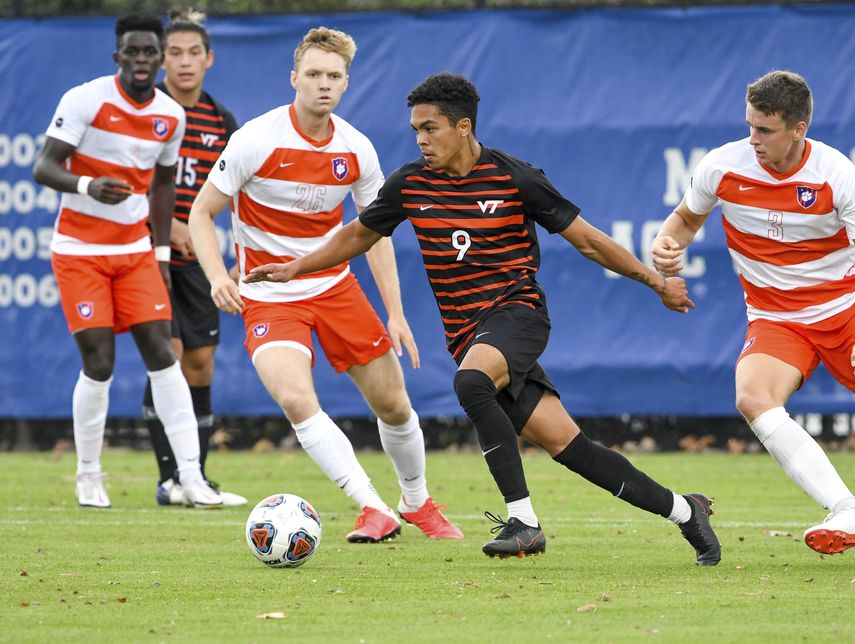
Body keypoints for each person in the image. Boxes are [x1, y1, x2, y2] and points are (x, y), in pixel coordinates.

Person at [244, 72, 722, 564]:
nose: (421, 140)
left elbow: (588, 239)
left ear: (464, 126)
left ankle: (524, 522)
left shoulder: (515, 177)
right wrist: (296, 267)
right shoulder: (411, 183)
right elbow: (356, 236)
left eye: (430, 128)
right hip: (469, 334)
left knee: (471, 383)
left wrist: (656, 282)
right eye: (415, 130)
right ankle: (687, 512)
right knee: (570, 446)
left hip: (519, 314)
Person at [188, 28, 462, 542]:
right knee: (296, 399)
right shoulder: (256, 139)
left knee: (395, 405)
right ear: (294, 78)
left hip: (335, 288)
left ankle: (417, 503)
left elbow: (375, 233)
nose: (323, 84)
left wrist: (395, 313)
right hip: (267, 294)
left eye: (334, 76)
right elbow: (202, 213)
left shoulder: (356, 148)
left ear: (346, 83)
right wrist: (216, 277)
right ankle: (372, 507)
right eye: (313, 74)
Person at [652, 70, 855, 556]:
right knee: (753, 396)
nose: (754, 139)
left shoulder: (836, 174)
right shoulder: (723, 166)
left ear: (799, 129)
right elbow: (685, 218)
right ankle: (844, 510)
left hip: (842, 310)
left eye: (765, 130)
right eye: (750, 126)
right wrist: (667, 246)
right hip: (775, 318)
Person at [33, 13, 222, 508]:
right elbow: (43, 165)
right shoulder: (86, 99)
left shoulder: (170, 115)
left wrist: (159, 252)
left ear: (158, 60)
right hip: (80, 251)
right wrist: (86, 185)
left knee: (165, 357)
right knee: (99, 365)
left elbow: (163, 185)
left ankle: (190, 479)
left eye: (149, 54)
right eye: (132, 53)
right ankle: (89, 474)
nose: (142, 61)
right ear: (118, 56)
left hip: (135, 251)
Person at [140, 9, 246, 508]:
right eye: (174, 53)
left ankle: (197, 477)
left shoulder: (221, 121)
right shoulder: (144, 111)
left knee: (201, 365)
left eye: (193, 53)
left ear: (209, 60)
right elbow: (124, 182)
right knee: (171, 356)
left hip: (200, 263)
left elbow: (243, 195)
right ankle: (170, 479)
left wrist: (238, 254)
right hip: (148, 255)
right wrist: (171, 225)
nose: (184, 62)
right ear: (161, 60)